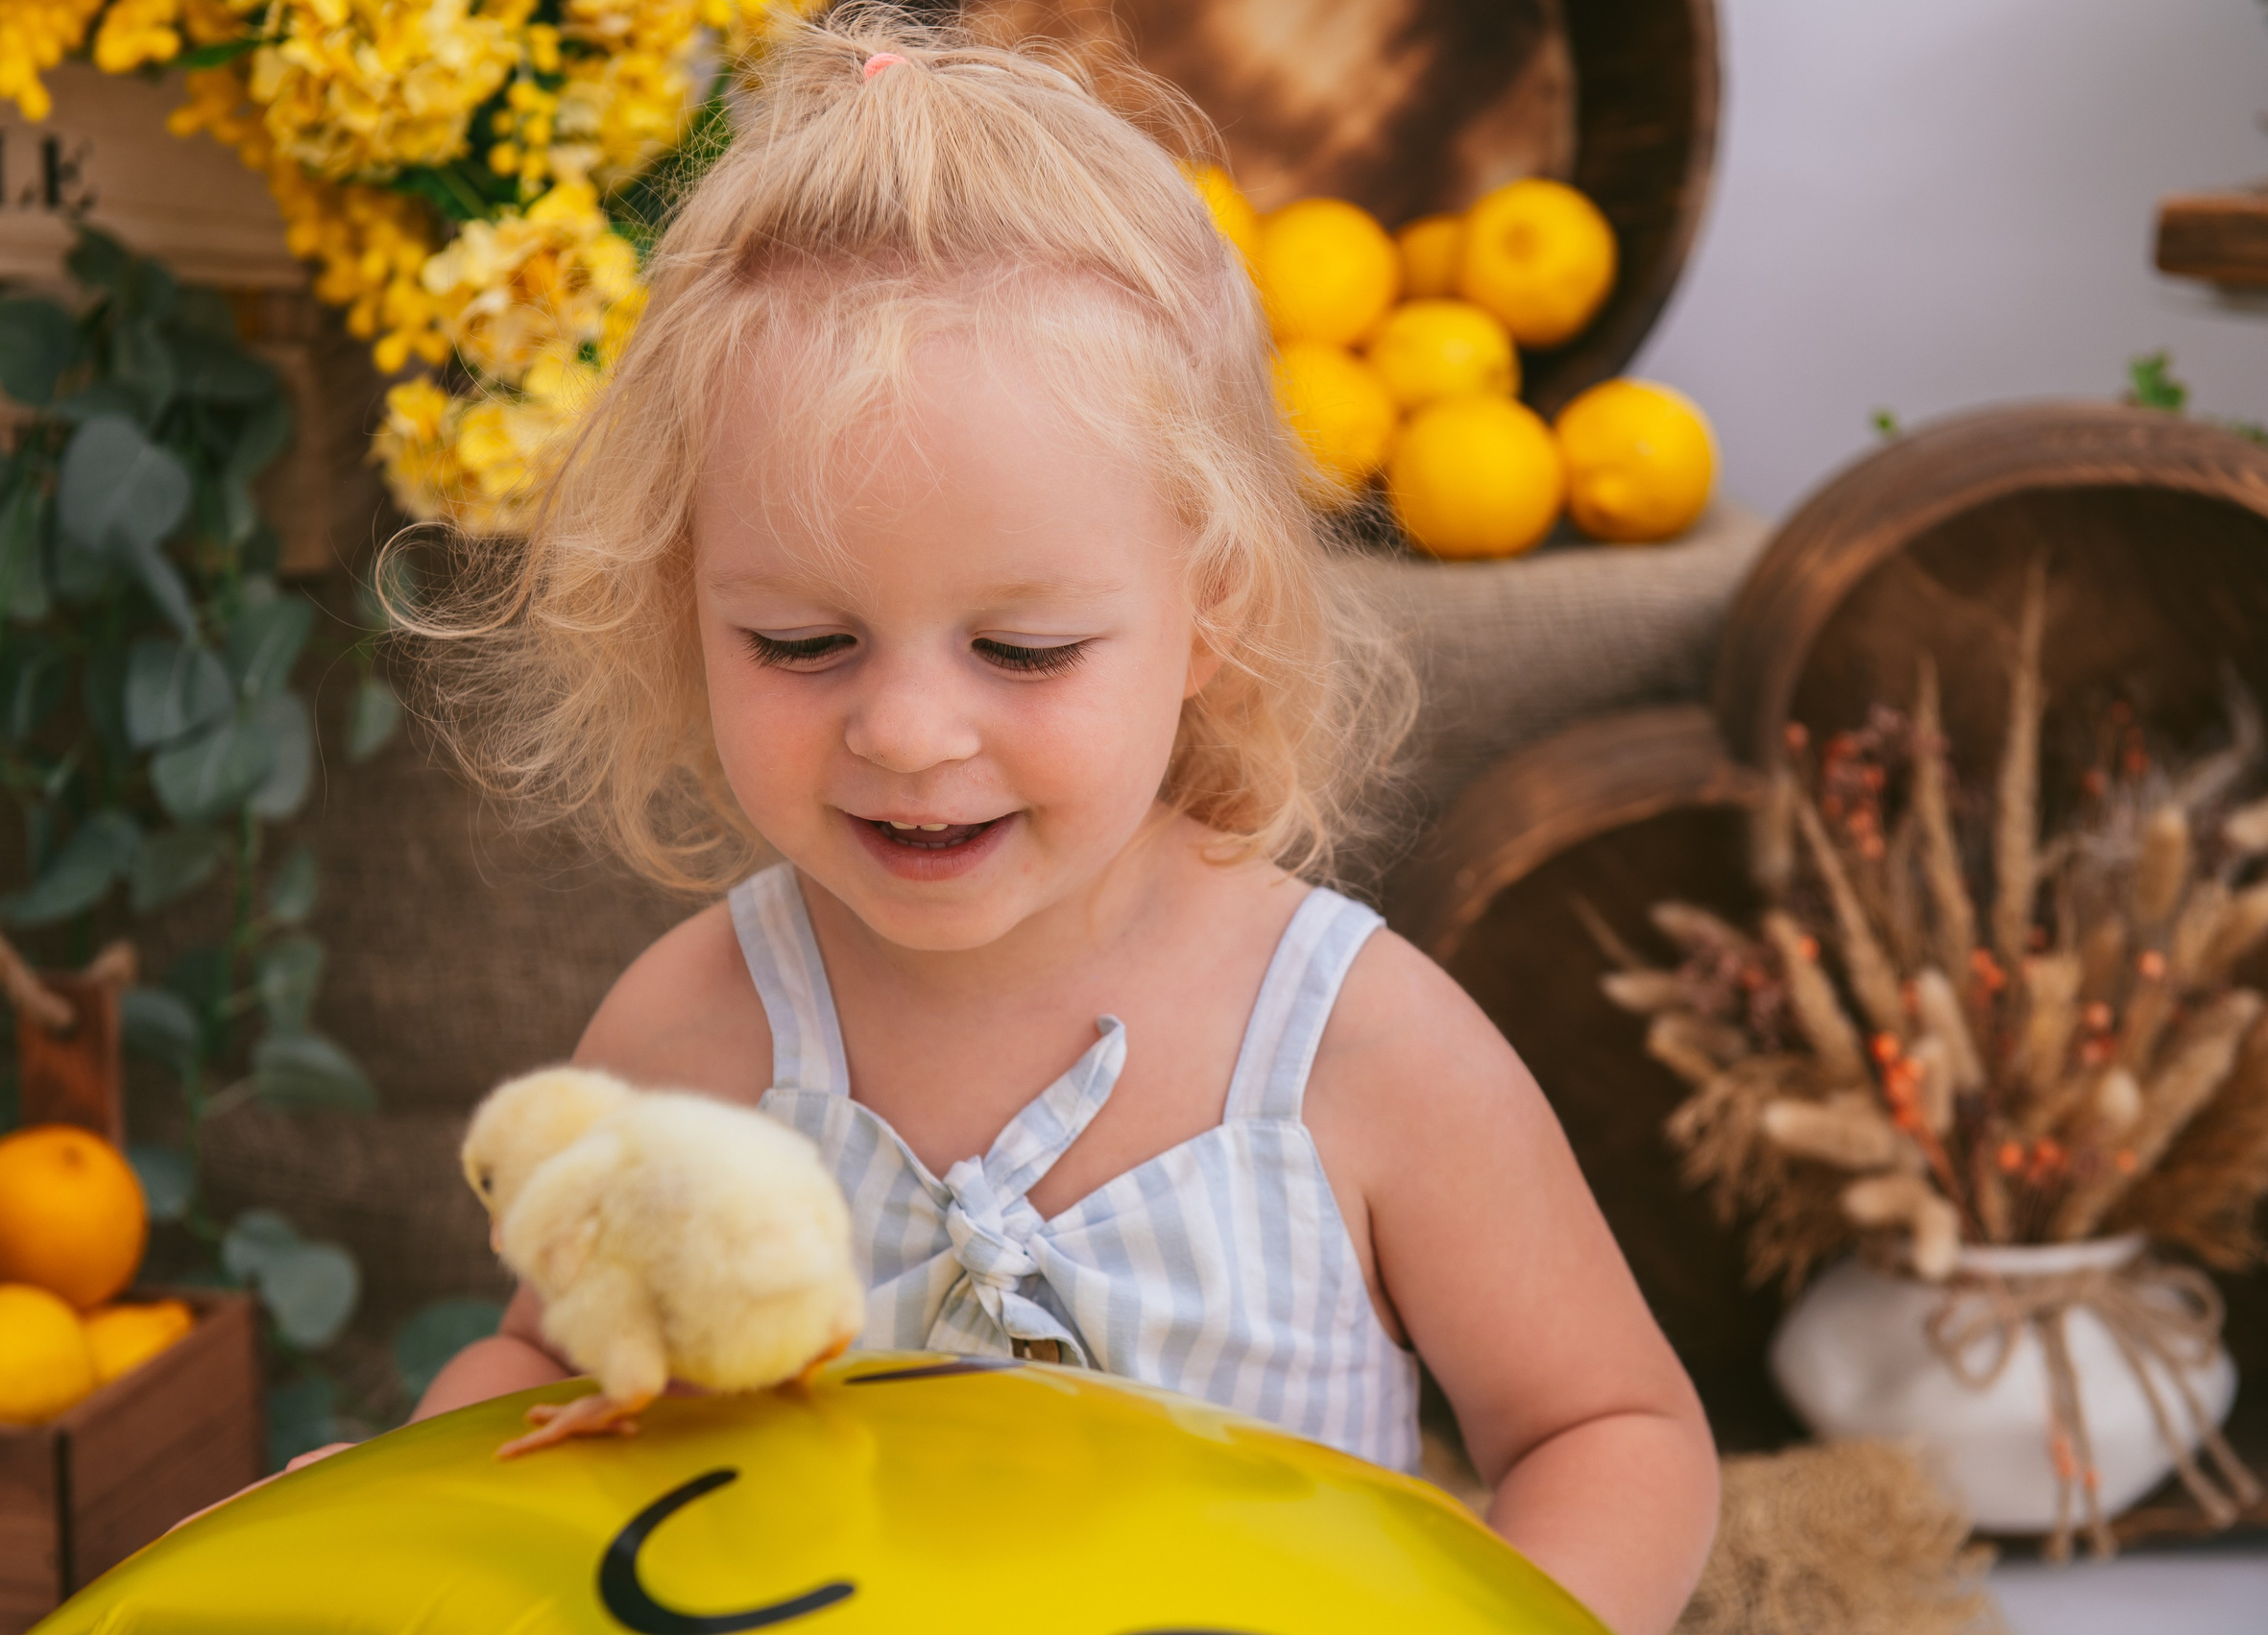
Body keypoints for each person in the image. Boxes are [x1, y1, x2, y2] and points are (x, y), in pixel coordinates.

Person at [401, 10, 1718, 1629]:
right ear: (680, 610)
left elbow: (1611, 1432)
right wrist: (423, 1501)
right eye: (799, 645)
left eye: (1022, 649)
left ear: (1208, 608)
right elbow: (547, 1353)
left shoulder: (1355, 1052)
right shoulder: (700, 1034)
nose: (905, 732)